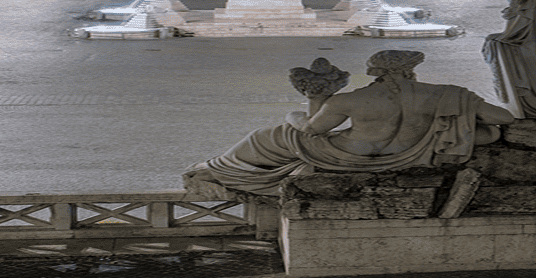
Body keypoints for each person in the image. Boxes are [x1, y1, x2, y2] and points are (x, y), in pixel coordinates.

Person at [184, 51, 514, 197]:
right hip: (414, 154)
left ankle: (218, 169)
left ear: (377, 73)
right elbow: (504, 120)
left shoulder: (351, 100)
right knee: (487, 135)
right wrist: (458, 117)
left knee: (268, 137)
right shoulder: (445, 94)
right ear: (410, 70)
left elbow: (312, 130)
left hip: (348, 155)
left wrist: (294, 114)